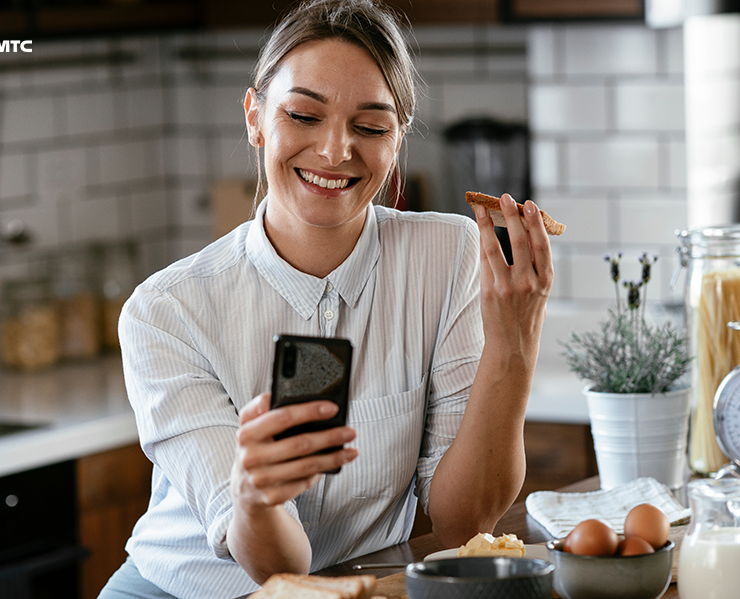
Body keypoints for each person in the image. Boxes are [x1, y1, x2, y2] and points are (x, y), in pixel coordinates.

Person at [99, 0, 553, 597]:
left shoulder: (449, 258)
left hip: (351, 590)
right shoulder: (166, 313)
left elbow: (463, 525)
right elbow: (276, 570)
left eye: (370, 127)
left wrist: (513, 346)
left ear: (397, 141)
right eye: (304, 115)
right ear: (255, 116)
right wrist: (255, 496)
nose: (336, 151)